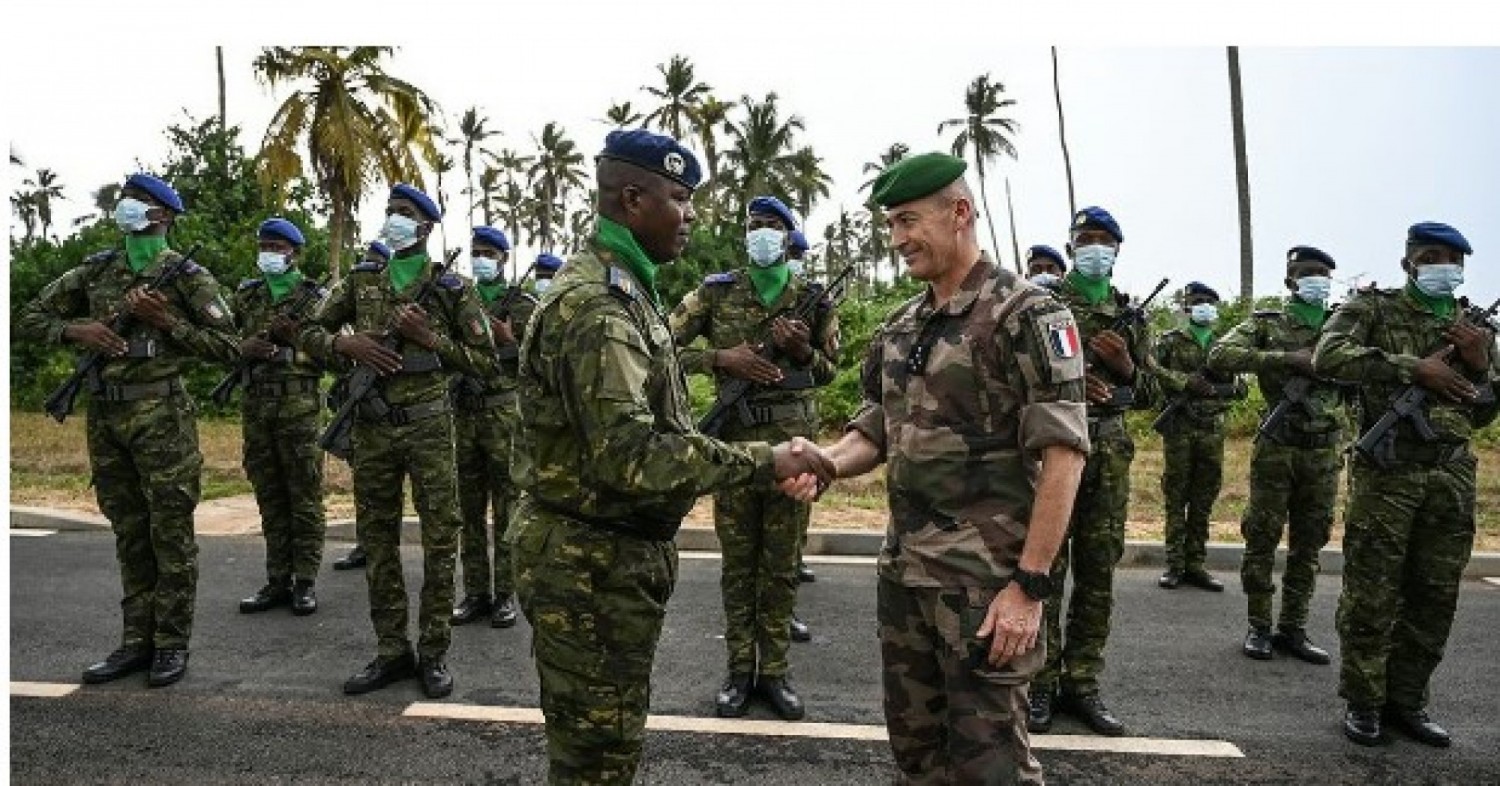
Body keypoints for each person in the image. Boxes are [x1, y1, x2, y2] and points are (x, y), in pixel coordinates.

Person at [508, 128, 834, 785]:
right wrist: (766, 458)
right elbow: (632, 456)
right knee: (597, 760)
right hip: (589, 564)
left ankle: (765, 669)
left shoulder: (626, 287)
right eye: (680, 199)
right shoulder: (600, 305)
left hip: (607, 557)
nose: (691, 215)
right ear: (633, 198)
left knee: (606, 749)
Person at [782, 151, 1088, 784]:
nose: (897, 240)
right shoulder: (901, 325)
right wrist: (827, 461)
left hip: (986, 587)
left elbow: (1064, 454)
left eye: (908, 222)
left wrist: (1029, 586)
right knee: (917, 759)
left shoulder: (1026, 314)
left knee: (992, 767)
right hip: (907, 578)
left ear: (960, 212)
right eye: (891, 225)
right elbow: (876, 428)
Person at [18, 173, 239, 687]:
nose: (126, 208)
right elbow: (28, 316)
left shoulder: (187, 277)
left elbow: (231, 347)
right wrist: (76, 330)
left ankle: (171, 644)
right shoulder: (97, 271)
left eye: (137, 202)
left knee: (171, 535)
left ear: (162, 216)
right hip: (107, 418)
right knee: (129, 533)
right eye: (126, 200)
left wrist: (168, 324)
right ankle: (135, 642)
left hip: (163, 419)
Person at [300, 183, 497, 699]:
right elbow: (307, 333)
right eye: (390, 212)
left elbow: (486, 362)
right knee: (379, 541)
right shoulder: (363, 280)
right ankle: (391, 650)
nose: (394, 220)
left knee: (439, 539)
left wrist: (432, 339)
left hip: (431, 426)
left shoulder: (453, 289)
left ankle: (433, 653)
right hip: (372, 427)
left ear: (427, 228)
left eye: (405, 214)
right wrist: (346, 343)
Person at [1313, 222, 1496, 748]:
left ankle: (1409, 701)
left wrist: (1480, 366)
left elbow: (1484, 412)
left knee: (1434, 596)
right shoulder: (1372, 310)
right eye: (1432, 257)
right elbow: (1330, 357)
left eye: (1453, 261)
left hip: (1451, 475)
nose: (1445, 267)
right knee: (1372, 593)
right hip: (1388, 472)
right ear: (1408, 262)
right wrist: (1412, 369)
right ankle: (1365, 703)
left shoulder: (1474, 329)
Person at [669, 195, 841, 721]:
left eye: (771, 226)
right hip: (734, 452)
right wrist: (721, 358)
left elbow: (832, 372)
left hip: (794, 454)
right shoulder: (715, 294)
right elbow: (661, 348)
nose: (760, 234)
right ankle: (739, 672)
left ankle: (776, 673)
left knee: (781, 568)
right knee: (739, 568)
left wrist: (803, 351)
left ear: (789, 238)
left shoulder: (813, 299)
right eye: (753, 226)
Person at [1029, 206, 1156, 737]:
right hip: (1055, 453)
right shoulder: (1044, 306)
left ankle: (1082, 684)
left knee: (1098, 574)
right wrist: (1074, 386)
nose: (1095, 247)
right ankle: (1038, 685)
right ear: (1072, 244)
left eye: (1105, 240)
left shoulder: (1133, 315)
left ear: (1117, 250)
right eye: (1086, 238)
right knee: (1046, 571)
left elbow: (1152, 394)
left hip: (1109, 456)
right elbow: (1018, 380)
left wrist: (1127, 368)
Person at [1207, 246, 1344, 665]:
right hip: (1277, 446)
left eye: (1323, 273)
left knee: (1310, 541)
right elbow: (1220, 356)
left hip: (1323, 449)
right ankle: (1260, 626)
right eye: (1307, 273)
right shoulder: (1269, 324)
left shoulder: (1345, 325)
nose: (1316, 280)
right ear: (1290, 281)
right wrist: (1288, 359)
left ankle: (1294, 627)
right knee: (1263, 536)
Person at [234, 217, 330, 616]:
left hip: (299, 406)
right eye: (265, 245)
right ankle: (277, 578)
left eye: (278, 247)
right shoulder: (247, 295)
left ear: (295, 253)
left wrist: (291, 347)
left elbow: (336, 353)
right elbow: (224, 340)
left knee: (304, 494)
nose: (269, 253)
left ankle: (304, 581)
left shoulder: (317, 298)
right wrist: (246, 348)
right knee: (269, 494)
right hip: (257, 404)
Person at [450, 226, 536, 629]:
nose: (480, 258)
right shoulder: (457, 299)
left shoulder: (524, 306)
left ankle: (505, 594)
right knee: (468, 510)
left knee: (507, 509)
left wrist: (511, 341)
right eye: (476, 251)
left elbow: (543, 365)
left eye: (488, 252)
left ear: (503, 259)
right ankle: (475, 592)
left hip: (503, 417)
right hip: (463, 414)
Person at [1153, 282, 1245, 591]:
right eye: (1197, 301)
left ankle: (1196, 564)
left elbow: (1241, 388)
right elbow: (1150, 370)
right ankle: (1174, 564)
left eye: (1209, 301)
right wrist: (1184, 383)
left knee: (1204, 497)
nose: (1204, 305)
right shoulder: (1170, 341)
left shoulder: (1224, 345)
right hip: (1179, 428)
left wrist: (1215, 390)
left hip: (1212, 431)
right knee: (1176, 496)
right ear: (1187, 308)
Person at [331, 240, 394, 573]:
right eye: (367, 261)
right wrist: (347, 347)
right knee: (366, 479)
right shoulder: (357, 287)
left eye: (376, 261)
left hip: (410, 400)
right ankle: (366, 543)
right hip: (364, 391)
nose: (371, 266)